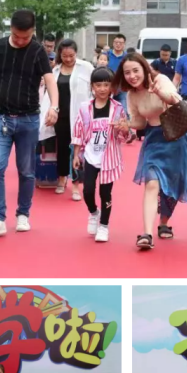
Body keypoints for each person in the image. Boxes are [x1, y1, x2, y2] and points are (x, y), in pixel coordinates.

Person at [0, 9, 59, 237]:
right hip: (0, 117)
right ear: (10, 28)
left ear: (33, 31)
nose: (20, 41)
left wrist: (54, 106)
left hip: (29, 119)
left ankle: (23, 214)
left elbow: (50, 80)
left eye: (25, 37)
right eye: (16, 36)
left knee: (27, 171)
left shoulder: (38, 51)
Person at [112, 52, 187, 249]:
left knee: (173, 185)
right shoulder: (131, 95)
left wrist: (160, 94)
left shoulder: (160, 80)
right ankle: (147, 234)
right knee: (152, 183)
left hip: (176, 138)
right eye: (127, 72)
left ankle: (164, 222)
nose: (132, 76)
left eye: (135, 70)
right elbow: (140, 122)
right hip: (154, 140)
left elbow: (176, 100)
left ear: (144, 69)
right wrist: (127, 125)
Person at [72, 67, 128, 242]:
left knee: (106, 193)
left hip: (109, 158)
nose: (102, 89)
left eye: (106, 85)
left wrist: (123, 129)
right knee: (88, 190)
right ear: (92, 86)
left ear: (112, 87)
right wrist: (76, 155)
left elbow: (124, 135)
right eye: (98, 85)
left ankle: (104, 225)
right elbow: (78, 131)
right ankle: (93, 212)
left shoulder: (118, 108)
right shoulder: (85, 108)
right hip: (90, 156)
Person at [41, 38, 94, 200]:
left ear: (76, 53)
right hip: (61, 116)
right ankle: (62, 178)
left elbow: (95, 89)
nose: (68, 59)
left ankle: (76, 184)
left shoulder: (86, 68)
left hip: (80, 116)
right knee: (63, 149)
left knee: (78, 150)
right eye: (65, 56)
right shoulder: (55, 70)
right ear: (60, 54)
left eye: (71, 55)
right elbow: (49, 95)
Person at [108, 33, 135, 144]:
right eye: (116, 42)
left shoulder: (127, 58)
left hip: (122, 89)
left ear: (124, 44)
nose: (118, 44)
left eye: (120, 43)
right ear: (113, 43)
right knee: (109, 111)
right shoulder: (107, 55)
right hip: (108, 88)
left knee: (124, 110)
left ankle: (128, 132)